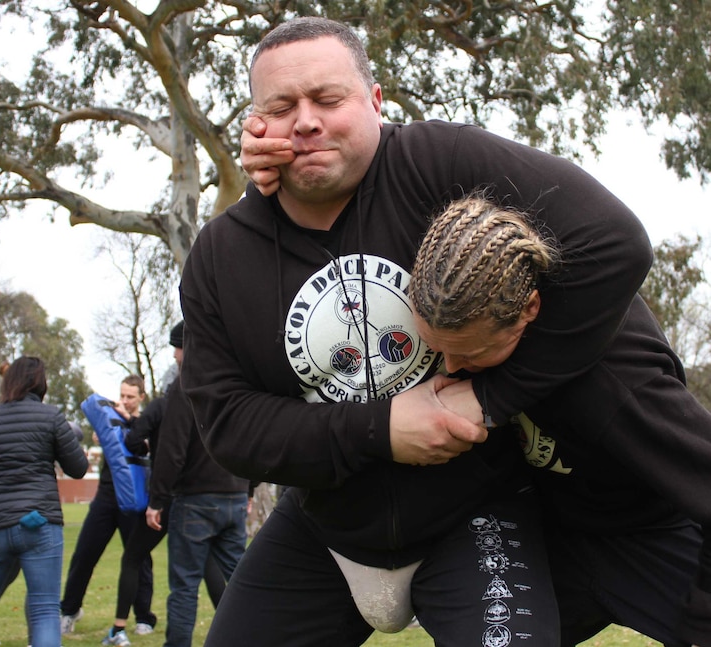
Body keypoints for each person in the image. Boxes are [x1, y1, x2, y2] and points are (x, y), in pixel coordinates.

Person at [181, 16, 653, 646]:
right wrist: (381, 429)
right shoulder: (219, 254)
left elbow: (612, 244)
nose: (306, 121)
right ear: (256, 123)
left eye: (328, 99)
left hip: (478, 507)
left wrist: (491, 401)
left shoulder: (438, 163)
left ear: (375, 101)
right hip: (325, 529)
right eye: (282, 105)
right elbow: (228, 425)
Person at [407, 194, 711, 646]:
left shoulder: (617, 385)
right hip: (552, 536)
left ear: (528, 310)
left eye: (470, 353)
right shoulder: (461, 300)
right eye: (441, 348)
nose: (451, 368)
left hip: (649, 537)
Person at [0, 356, 88, 647]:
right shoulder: (52, 417)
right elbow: (78, 468)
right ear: (41, 383)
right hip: (39, 522)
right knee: (44, 611)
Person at [106, 321, 227, 645]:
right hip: (217, 492)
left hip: (178, 496)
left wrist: (156, 498)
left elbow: (157, 448)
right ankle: (234, 631)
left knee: (144, 563)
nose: (174, 355)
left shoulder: (170, 398)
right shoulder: (226, 385)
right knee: (216, 572)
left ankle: (121, 627)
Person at [144, 321, 253, 647]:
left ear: (188, 346)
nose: (175, 355)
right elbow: (250, 439)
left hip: (194, 500)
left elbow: (171, 450)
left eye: (177, 347)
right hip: (233, 496)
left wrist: (156, 500)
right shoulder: (238, 382)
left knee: (184, 587)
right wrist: (248, 489)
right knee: (241, 583)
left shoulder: (184, 386)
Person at [60, 374, 157, 641]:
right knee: (84, 554)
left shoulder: (145, 422)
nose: (124, 400)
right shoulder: (110, 418)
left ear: (141, 397)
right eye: (122, 395)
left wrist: (127, 419)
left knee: (138, 560)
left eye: (130, 396)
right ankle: (69, 611)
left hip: (135, 498)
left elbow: (146, 443)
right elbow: (98, 433)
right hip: (105, 496)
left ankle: (144, 617)